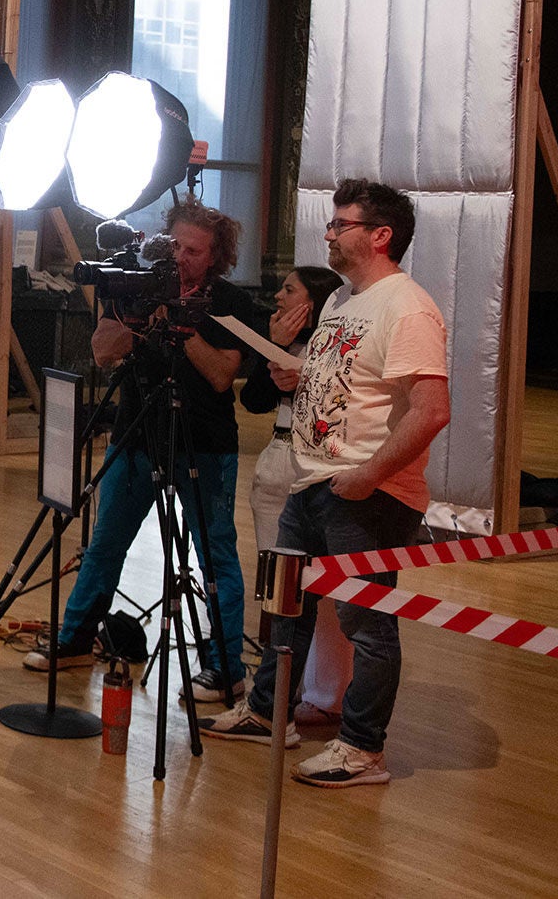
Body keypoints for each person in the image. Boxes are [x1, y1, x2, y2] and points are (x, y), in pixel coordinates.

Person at [200, 178, 450, 789]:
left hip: (365, 493)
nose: (330, 233)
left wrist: (367, 476)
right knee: (285, 607)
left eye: (342, 224)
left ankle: (363, 748)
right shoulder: (340, 300)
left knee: (368, 623)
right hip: (311, 483)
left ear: (380, 235)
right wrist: (294, 377)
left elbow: (431, 409)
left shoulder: (406, 306)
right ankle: (269, 712)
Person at [25, 198, 262, 707]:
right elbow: (104, 352)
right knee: (107, 541)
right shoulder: (137, 284)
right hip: (136, 433)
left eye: (193, 251)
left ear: (215, 256)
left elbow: (223, 376)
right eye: (174, 245)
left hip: (204, 442)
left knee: (214, 554)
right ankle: (74, 638)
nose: (180, 257)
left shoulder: (230, 302)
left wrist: (180, 325)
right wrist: (138, 313)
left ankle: (224, 668)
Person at [242, 265, 353, 724]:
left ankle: (324, 693)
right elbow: (253, 400)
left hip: (314, 467)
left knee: (319, 591)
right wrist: (278, 351)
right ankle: (279, 690)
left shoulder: (336, 346)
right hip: (276, 458)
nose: (278, 298)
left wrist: (299, 365)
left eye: (289, 290)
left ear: (313, 302)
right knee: (278, 586)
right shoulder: (283, 342)